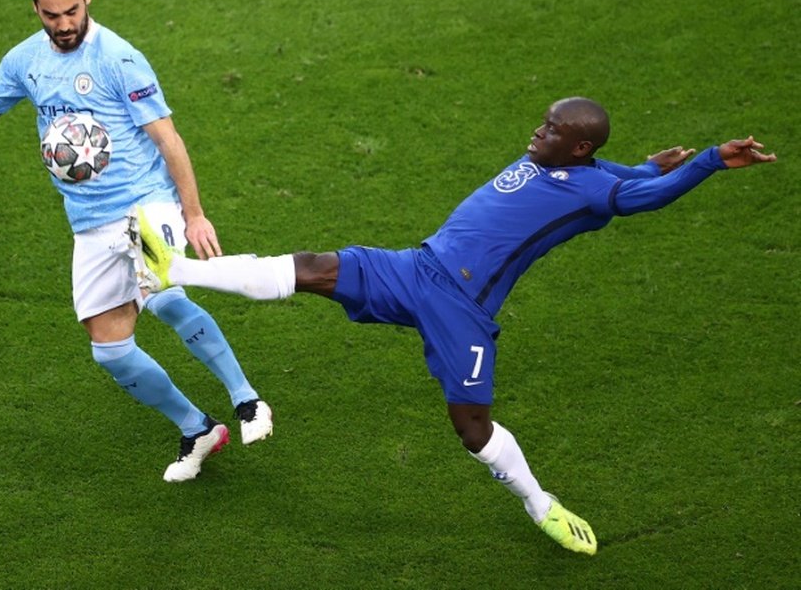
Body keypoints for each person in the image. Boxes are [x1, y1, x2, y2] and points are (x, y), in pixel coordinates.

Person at [131, 97, 776, 552]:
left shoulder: (593, 190)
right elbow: (627, 175)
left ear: (577, 145)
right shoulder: (582, 166)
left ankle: (540, 504)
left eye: (551, 128)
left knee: (471, 428)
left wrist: (709, 161)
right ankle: (175, 272)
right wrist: (647, 164)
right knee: (314, 267)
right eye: (543, 120)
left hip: (461, 310)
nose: (537, 131)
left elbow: (640, 197)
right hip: (418, 266)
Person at [0, 0, 273, 483]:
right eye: (50, 16)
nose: (63, 25)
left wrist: (194, 214)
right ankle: (198, 428)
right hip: (89, 222)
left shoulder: (119, 59)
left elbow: (168, 139)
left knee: (165, 294)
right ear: (35, 9)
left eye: (70, 12)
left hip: (145, 202)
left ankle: (247, 399)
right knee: (111, 352)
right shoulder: (25, 61)